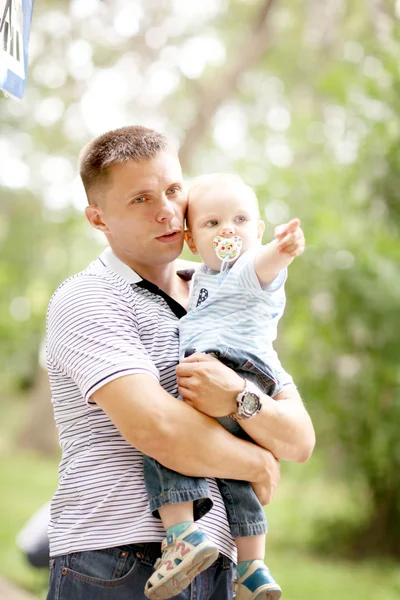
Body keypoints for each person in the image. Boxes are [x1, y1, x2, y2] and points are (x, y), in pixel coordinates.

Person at [45, 125, 315, 600]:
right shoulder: (88, 297)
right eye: (141, 200)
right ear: (98, 218)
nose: (167, 210)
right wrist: (257, 462)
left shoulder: (225, 301)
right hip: (117, 557)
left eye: (172, 190)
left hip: (217, 564)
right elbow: (158, 429)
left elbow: (298, 438)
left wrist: (236, 397)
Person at [143, 174, 304, 600]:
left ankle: (181, 533)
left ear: (258, 230)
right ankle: (252, 566)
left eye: (240, 219)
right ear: (193, 241)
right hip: (253, 379)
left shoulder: (247, 270)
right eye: (212, 223)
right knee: (235, 473)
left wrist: (282, 249)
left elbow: (263, 265)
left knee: (168, 435)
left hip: (229, 367)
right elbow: (201, 279)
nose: (228, 229)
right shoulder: (203, 276)